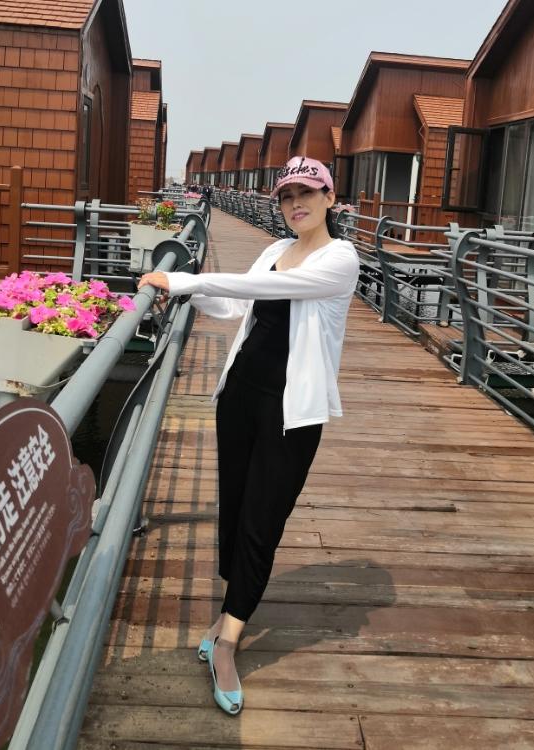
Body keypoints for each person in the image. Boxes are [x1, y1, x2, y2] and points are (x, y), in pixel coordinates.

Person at [139, 155, 360, 716]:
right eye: (286, 196)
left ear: (330, 198)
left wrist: (185, 277)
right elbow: (237, 301)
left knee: (263, 520)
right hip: (239, 394)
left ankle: (228, 645)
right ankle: (228, 616)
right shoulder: (274, 249)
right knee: (236, 510)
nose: (295, 204)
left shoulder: (340, 258)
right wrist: (186, 293)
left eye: (306, 193)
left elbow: (268, 287)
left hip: (292, 411)